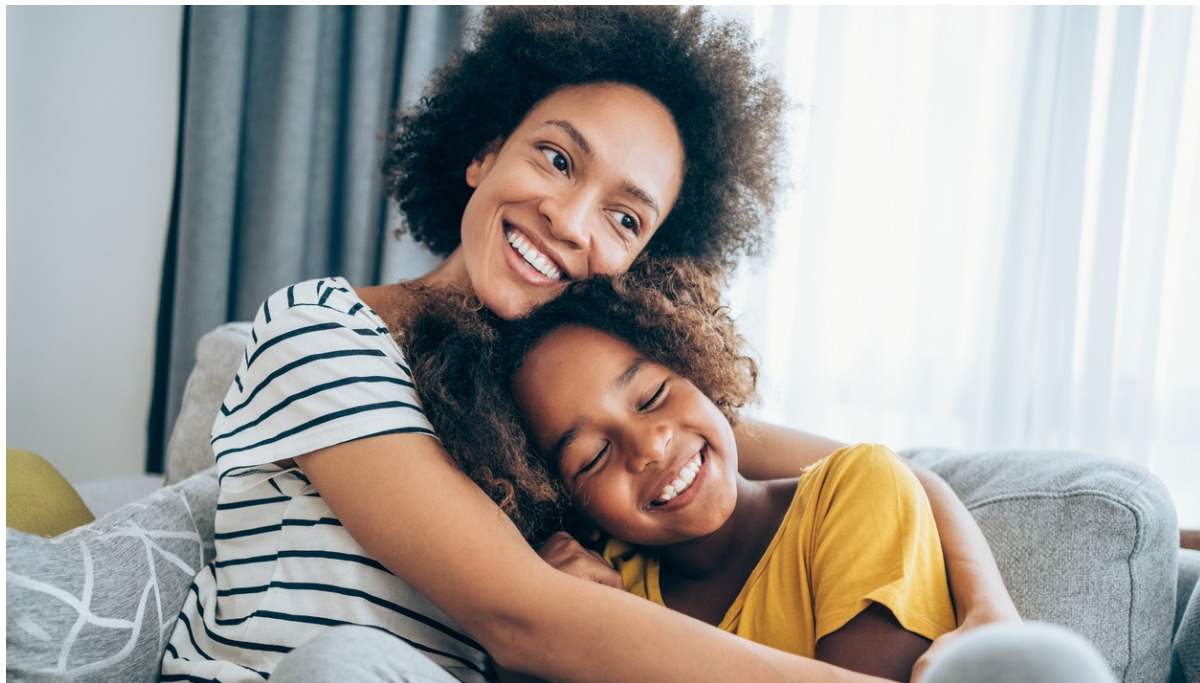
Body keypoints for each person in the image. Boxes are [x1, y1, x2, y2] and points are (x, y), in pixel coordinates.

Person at [160, 6, 1052, 683]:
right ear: (482, 149)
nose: (568, 217)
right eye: (555, 158)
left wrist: (991, 610)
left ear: (640, 258)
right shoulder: (324, 329)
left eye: (624, 215)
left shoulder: (558, 400)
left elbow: (888, 469)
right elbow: (519, 614)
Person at [403, 260, 959, 681]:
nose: (646, 448)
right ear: (570, 505)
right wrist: (575, 621)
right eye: (592, 457)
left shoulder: (857, 489)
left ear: (696, 367)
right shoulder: (601, 592)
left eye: (652, 397)